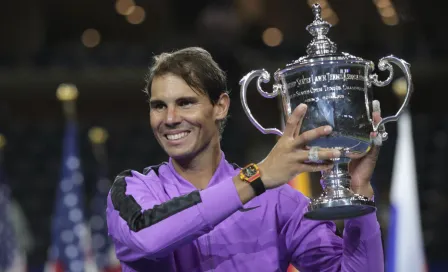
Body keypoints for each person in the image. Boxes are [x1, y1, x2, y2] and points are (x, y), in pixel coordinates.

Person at [106, 47, 384, 271]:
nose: (170, 119)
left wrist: (360, 193)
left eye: (185, 103)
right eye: (158, 106)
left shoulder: (279, 202)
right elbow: (146, 237)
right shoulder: (134, 188)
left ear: (220, 106)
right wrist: (256, 178)